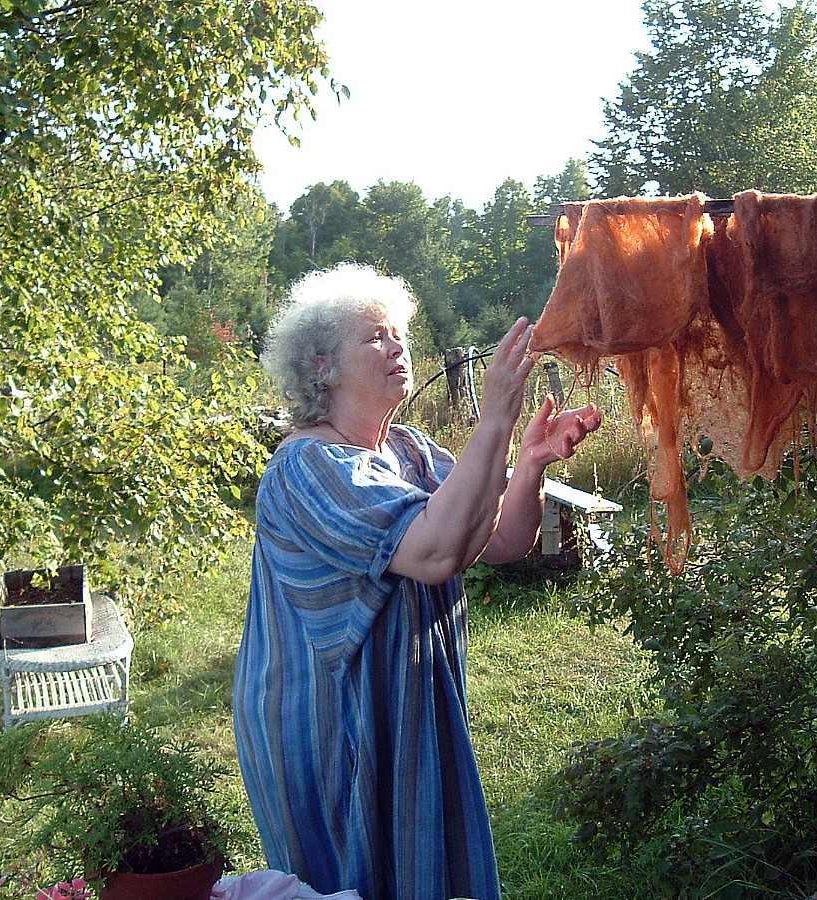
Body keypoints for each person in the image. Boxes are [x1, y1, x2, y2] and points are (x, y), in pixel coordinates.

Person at [233, 262, 602, 900]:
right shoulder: (305, 468)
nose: (398, 346)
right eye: (375, 336)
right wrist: (494, 422)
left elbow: (500, 540)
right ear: (322, 367)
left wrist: (531, 461)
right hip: (328, 721)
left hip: (403, 702)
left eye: (400, 333)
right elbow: (433, 553)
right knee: (353, 878)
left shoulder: (407, 450)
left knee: (420, 865)